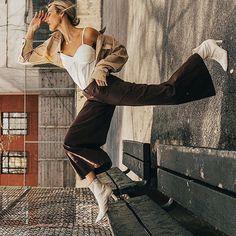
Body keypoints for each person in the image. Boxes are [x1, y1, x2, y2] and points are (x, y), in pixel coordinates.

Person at [18, 0, 228, 223]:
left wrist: (102, 66)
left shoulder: (86, 34)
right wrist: (31, 32)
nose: (45, 18)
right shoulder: (53, 46)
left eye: (48, 13)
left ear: (61, 13)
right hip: (93, 95)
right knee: (72, 142)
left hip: (105, 87)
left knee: (168, 94)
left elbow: (119, 51)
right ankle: (99, 189)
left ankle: (204, 50)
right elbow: (25, 57)